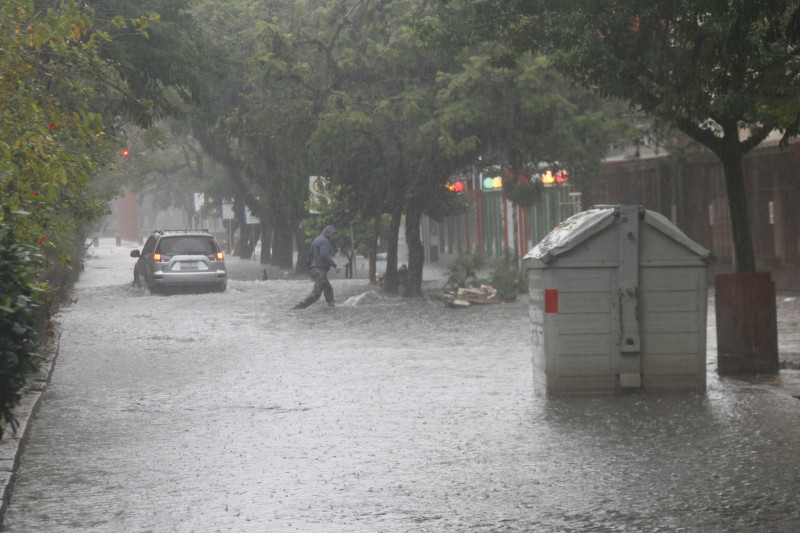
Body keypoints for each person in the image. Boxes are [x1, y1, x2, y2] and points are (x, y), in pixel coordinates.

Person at [293, 225, 341, 309]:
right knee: (316, 293)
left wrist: (311, 272)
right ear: (329, 234)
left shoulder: (316, 240)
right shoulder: (324, 241)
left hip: (315, 269)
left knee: (328, 288)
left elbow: (309, 258)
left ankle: (331, 306)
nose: (333, 237)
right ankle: (300, 307)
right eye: (333, 235)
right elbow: (324, 255)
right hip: (320, 270)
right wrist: (335, 265)